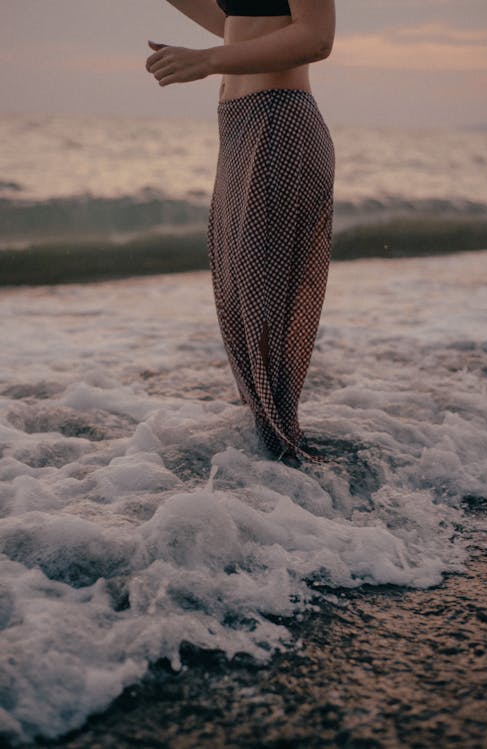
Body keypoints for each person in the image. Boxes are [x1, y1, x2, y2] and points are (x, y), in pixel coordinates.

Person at [146, 1, 336, 465]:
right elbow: (239, 25)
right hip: (238, 127)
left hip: (277, 121)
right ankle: (277, 464)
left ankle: (291, 469)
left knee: (266, 305)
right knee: (239, 304)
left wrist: (207, 60)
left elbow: (316, 38)